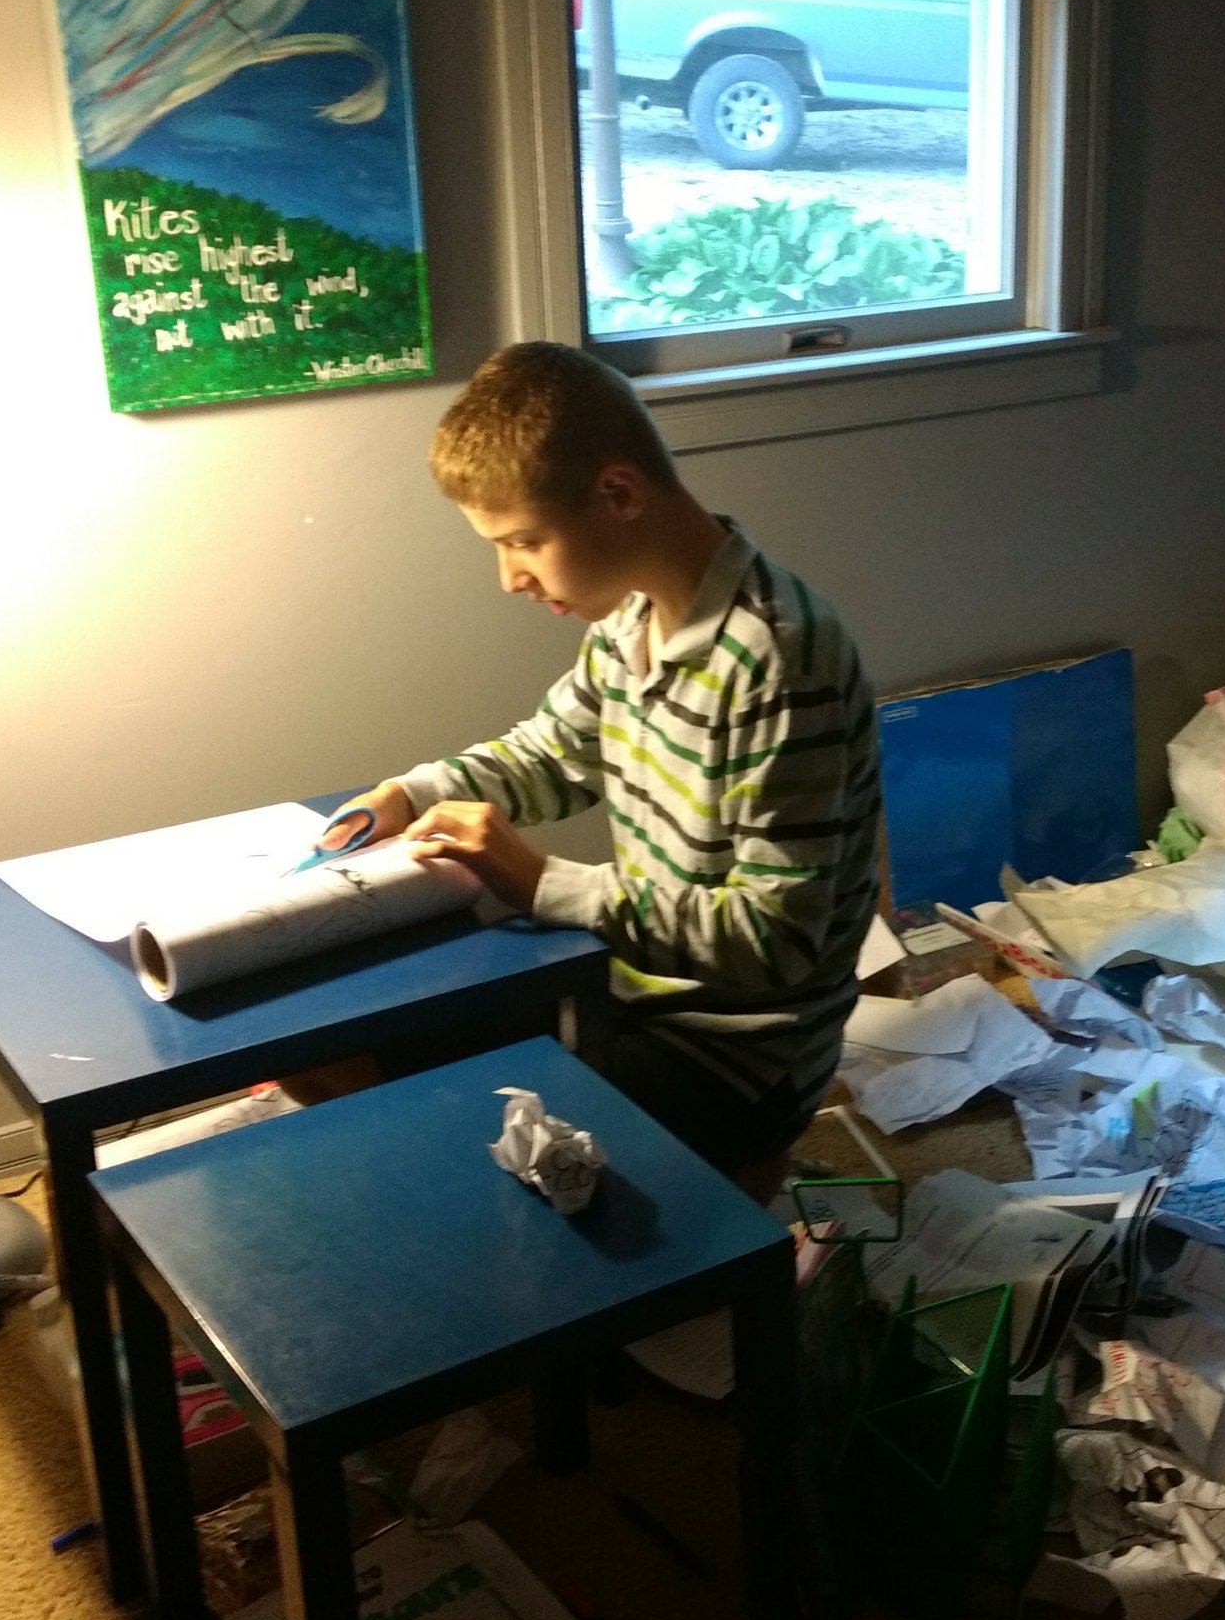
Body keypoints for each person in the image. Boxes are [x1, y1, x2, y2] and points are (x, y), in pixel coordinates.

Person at [307, 341, 881, 1199]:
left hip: (737, 1048)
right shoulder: (631, 622)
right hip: (624, 982)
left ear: (618, 494)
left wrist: (541, 883)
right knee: (325, 1047)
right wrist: (412, 794)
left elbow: (776, 940)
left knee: (418, 1124)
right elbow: (550, 754)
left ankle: (704, 1214)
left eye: (524, 541)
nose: (510, 577)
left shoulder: (779, 659)